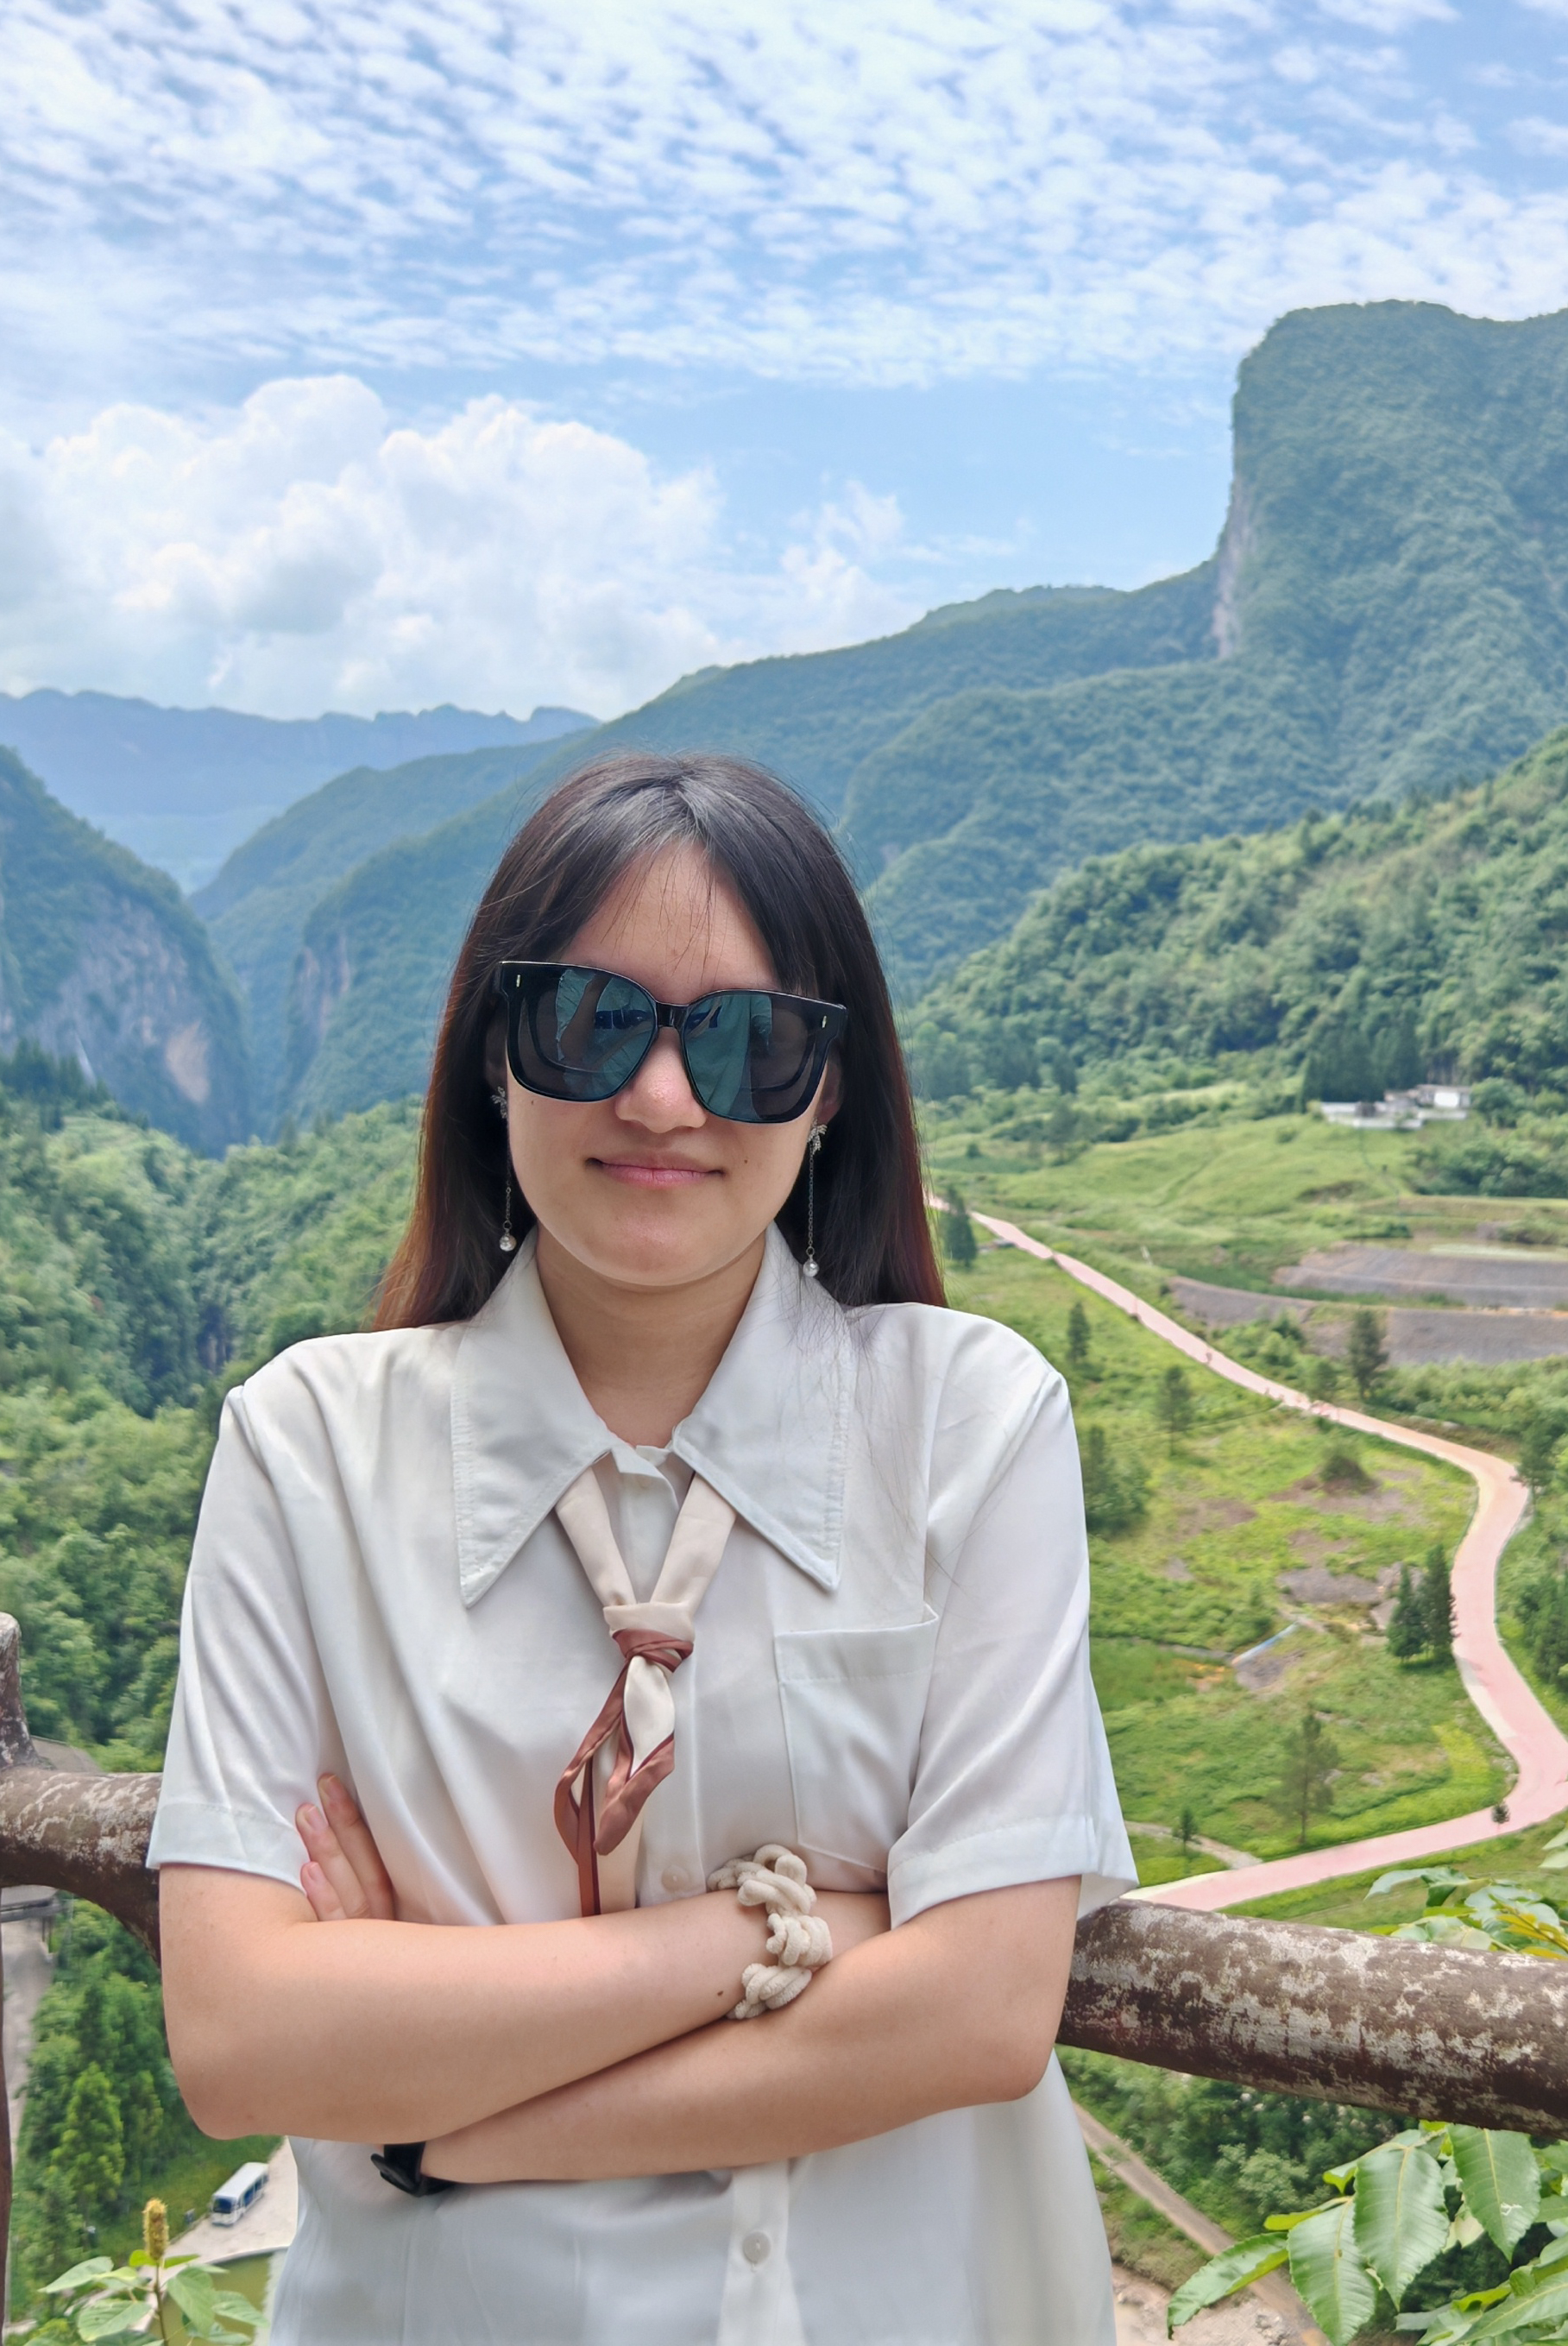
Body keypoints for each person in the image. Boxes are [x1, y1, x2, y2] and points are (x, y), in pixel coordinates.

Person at [151, 754, 1135, 2346]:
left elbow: (979, 2009)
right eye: (589, 1020)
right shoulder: (307, 1449)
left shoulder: (969, 1425)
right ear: (494, 1055)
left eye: (749, 1040)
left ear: (829, 1091)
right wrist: (790, 1928)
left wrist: (436, 2131)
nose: (665, 1097)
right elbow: (241, 2038)